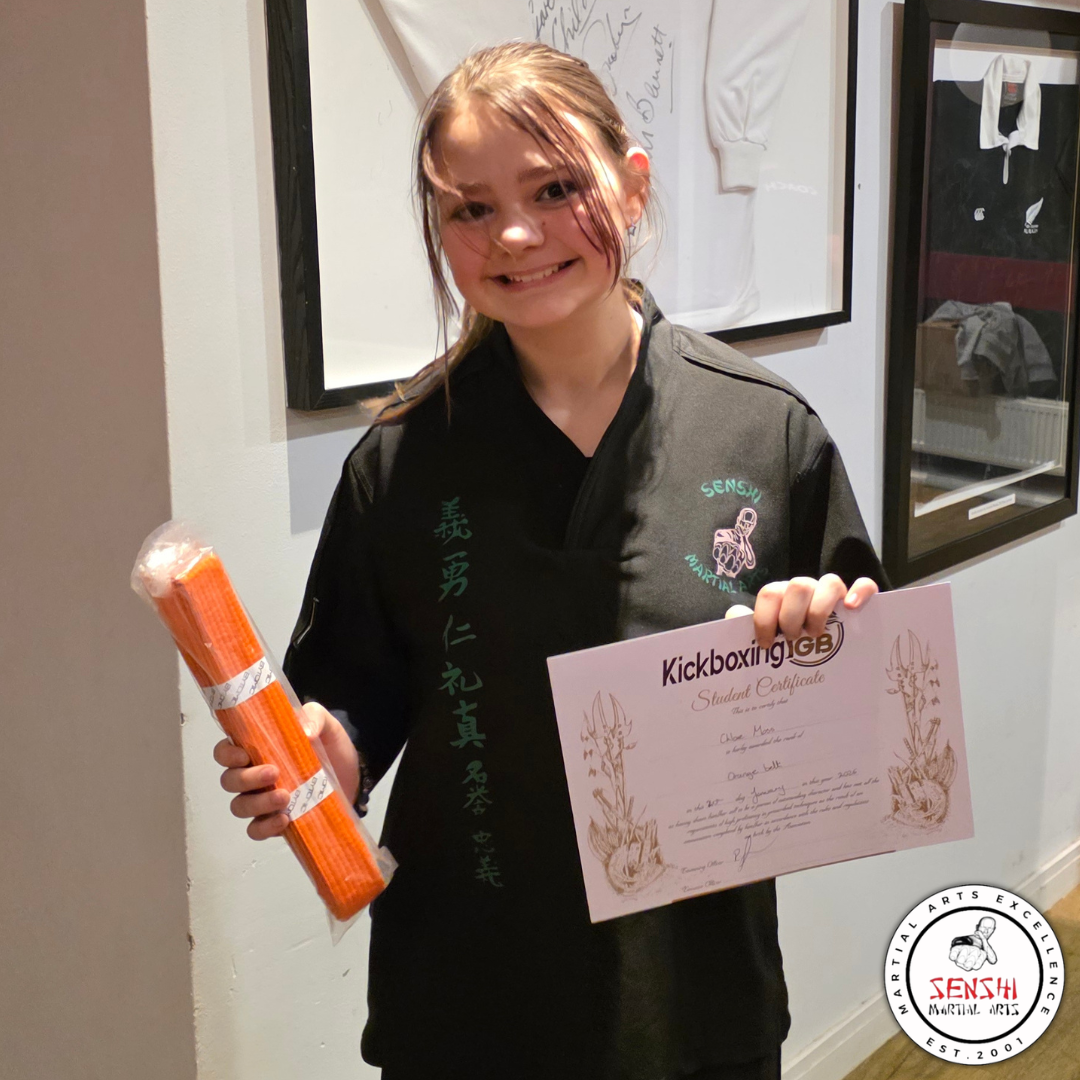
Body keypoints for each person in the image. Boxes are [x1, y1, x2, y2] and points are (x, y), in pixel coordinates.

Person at [214, 41, 885, 1080]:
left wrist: (811, 646)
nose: (515, 235)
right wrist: (326, 760)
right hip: (466, 1000)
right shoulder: (400, 463)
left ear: (633, 181)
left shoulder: (761, 432)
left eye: (557, 187)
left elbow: (866, 717)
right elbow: (351, 701)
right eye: (468, 208)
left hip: (695, 999)